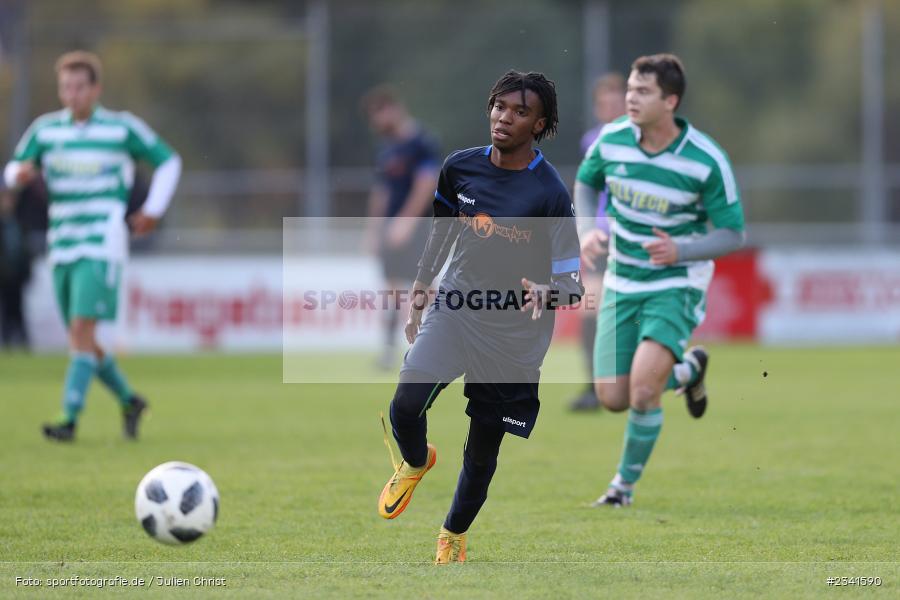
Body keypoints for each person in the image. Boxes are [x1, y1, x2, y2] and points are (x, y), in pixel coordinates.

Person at [376, 71, 583, 563]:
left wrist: (548, 293)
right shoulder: (459, 167)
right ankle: (415, 461)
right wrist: (421, 288)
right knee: (405, 404)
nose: (503, 117)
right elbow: (442, 233)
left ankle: (452, 534)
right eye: (499, 106)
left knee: (482, 450)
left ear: (539, 124)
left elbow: (573, 285)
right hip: (457, 308)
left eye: (520, 111)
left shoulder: (550, 193)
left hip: (513, 336)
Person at [575, 54, 746, 506]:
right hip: (622, 279)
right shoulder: (612, 139)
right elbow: (586, 182)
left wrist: (680, 251)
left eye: (643, 91)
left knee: (644, 390)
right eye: (630, 89)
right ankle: (689, 370)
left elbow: (733, 233)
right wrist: (587, 230)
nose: (631, 98)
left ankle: (621, 489)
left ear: (670, 101)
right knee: (612, 396)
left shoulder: (705, 159)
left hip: (676, 283)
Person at [3, 50, 181, 441]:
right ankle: (130, 400)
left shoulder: (120, 129)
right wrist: (19, 175)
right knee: (81, 338)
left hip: (101, 243)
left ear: (96, 89)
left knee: (82, 329)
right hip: (62, 244)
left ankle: (69, 418)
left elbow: (169, 161)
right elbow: (13, 169)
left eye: (80, 87)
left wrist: (153, 210)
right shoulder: (46, 131)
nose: (72, 94)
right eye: (66, 87)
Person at [360, 86, 440, 370]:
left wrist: (406, 221)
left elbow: (426, 183)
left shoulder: (421, 143)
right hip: (390, 228)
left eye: (379, 114)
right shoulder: (387, 148)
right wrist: (374, 230)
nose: (376, 123)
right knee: (391, 289)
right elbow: (382, 191)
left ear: (394, 109)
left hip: (418, 227)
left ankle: (439, 344)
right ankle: (388, 350)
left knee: (425, 287)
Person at [569, 73, 626, 411]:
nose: (611, 109)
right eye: (605, 103)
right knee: (591, 306)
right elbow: (587, 188)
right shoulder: (592, 141)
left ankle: (630, 380)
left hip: (631, 236)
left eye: (617, 102)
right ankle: (593, 387)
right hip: (602, 237)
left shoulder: (640, 140)